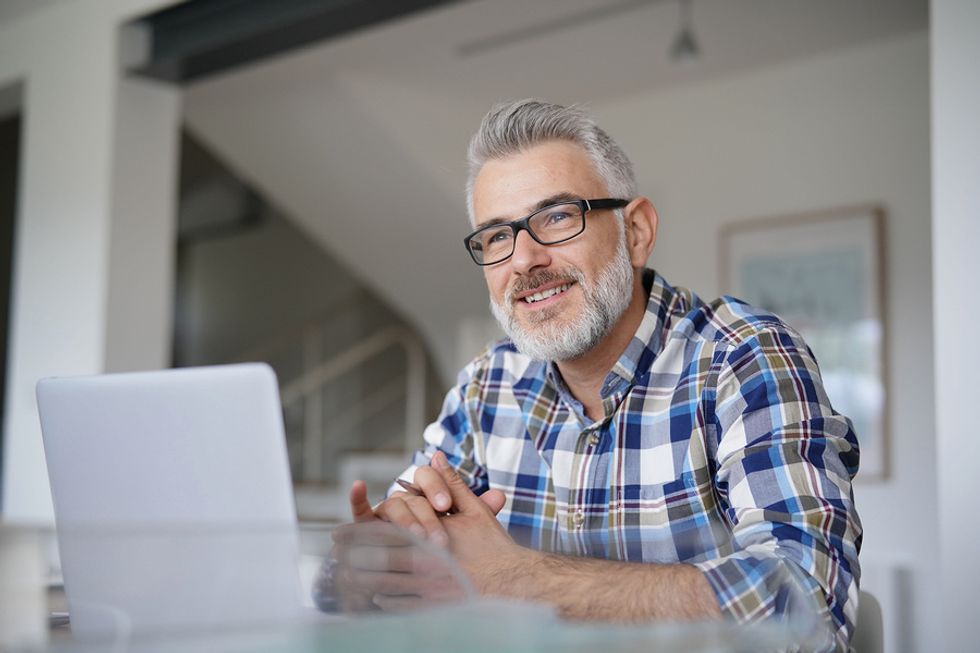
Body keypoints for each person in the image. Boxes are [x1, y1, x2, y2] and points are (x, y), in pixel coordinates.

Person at [335, 99, 861, 651]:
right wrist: (367, 577)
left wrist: (515, 581)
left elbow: (807, 608)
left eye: (558, 217)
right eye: (496, 236)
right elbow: (399, 567)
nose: (523, 260)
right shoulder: (484, 387)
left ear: (635, 231)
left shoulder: (744, 358)